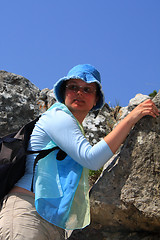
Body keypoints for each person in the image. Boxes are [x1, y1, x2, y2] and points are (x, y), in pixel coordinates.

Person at [0, 64, 159, 240]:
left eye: (87, 89)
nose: (79, 93)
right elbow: (91, 159)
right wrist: (130, 119)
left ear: (95, 98)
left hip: (51, 221)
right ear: (63, 92)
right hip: (27, 212)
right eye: (73, 87)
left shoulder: (75, 129)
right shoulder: (57, 116)